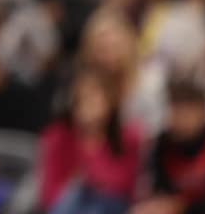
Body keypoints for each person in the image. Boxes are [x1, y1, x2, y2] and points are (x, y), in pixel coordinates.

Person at [38, 73, 142, 214]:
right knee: (76, 193)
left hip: (113, 207)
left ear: (110, 102)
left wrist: (90, 176)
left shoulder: (128, 136)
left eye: (93, 100)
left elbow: (126, 186)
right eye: (81, 100)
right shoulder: (58, 136)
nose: (87, 107)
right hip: (69, 207)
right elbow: (49, 193)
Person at [137, 76, 205, 214]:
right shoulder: (162, 144)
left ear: (203, 114)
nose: (181, 120)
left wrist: (183, 205)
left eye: (187, 113)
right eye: (175, 111)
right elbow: (160, 192)